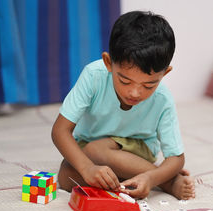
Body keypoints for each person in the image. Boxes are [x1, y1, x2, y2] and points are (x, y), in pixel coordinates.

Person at [51, 10, 195, 200]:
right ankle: (137, 179)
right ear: (108, 63)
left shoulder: (162, 98)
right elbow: (60, 131)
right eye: (125, 81)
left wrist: (152, 178)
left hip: (137, 149)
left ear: (165, 73)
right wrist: (87, 169)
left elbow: (177, 157)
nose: (134, 93)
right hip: (89, 146)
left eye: (148, 85)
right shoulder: (93, 76)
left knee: (96, 150)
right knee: (66, 177)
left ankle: (167, 182)